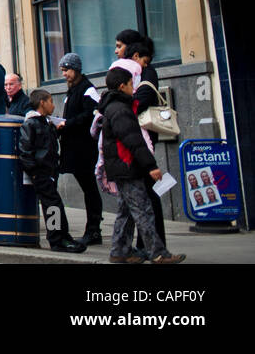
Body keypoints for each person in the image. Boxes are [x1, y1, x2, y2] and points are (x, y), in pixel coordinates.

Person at [99, 67, 184, 264]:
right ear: (122, 86)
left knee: (126, 212)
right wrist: (150, 166)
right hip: (127, 167)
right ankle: (158, 253)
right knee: (143, 211)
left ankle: (120, 252)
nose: (133, 88)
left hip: (121, 167)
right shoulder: (120, 109)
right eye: (131, 84)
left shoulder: (114, 107)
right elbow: (134, 141)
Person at [19, 88, 86, 253]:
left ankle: (62, 237)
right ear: (42, 102)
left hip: (49, 171)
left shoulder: (45, 122)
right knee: (52, 206)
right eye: (50, 101)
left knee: (55, 204)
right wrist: (35, 171)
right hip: (42, 172)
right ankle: (57, 240)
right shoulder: (31, 123)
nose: (53, 105)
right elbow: (25, 151)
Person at [123, 33, 170, 257]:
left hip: (144, 142)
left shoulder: (146, 74)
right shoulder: (136, 74)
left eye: (119, 46)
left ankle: (153, 245)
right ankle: (146, 245)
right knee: (140, 198)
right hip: (139, 143)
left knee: (147, 197)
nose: (116, 51)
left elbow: (139, 102)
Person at [56, 52, 103, 245]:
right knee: (88, 189)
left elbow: (91, 116)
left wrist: (67, 124)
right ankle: (92, 228)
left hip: (85, 149)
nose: (64, 74)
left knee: (90, 189)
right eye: (63, 71)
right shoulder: (73, 91)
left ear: (75, 69)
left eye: (66, 70)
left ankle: (93, 230)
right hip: (75, 149)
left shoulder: (87, 90)